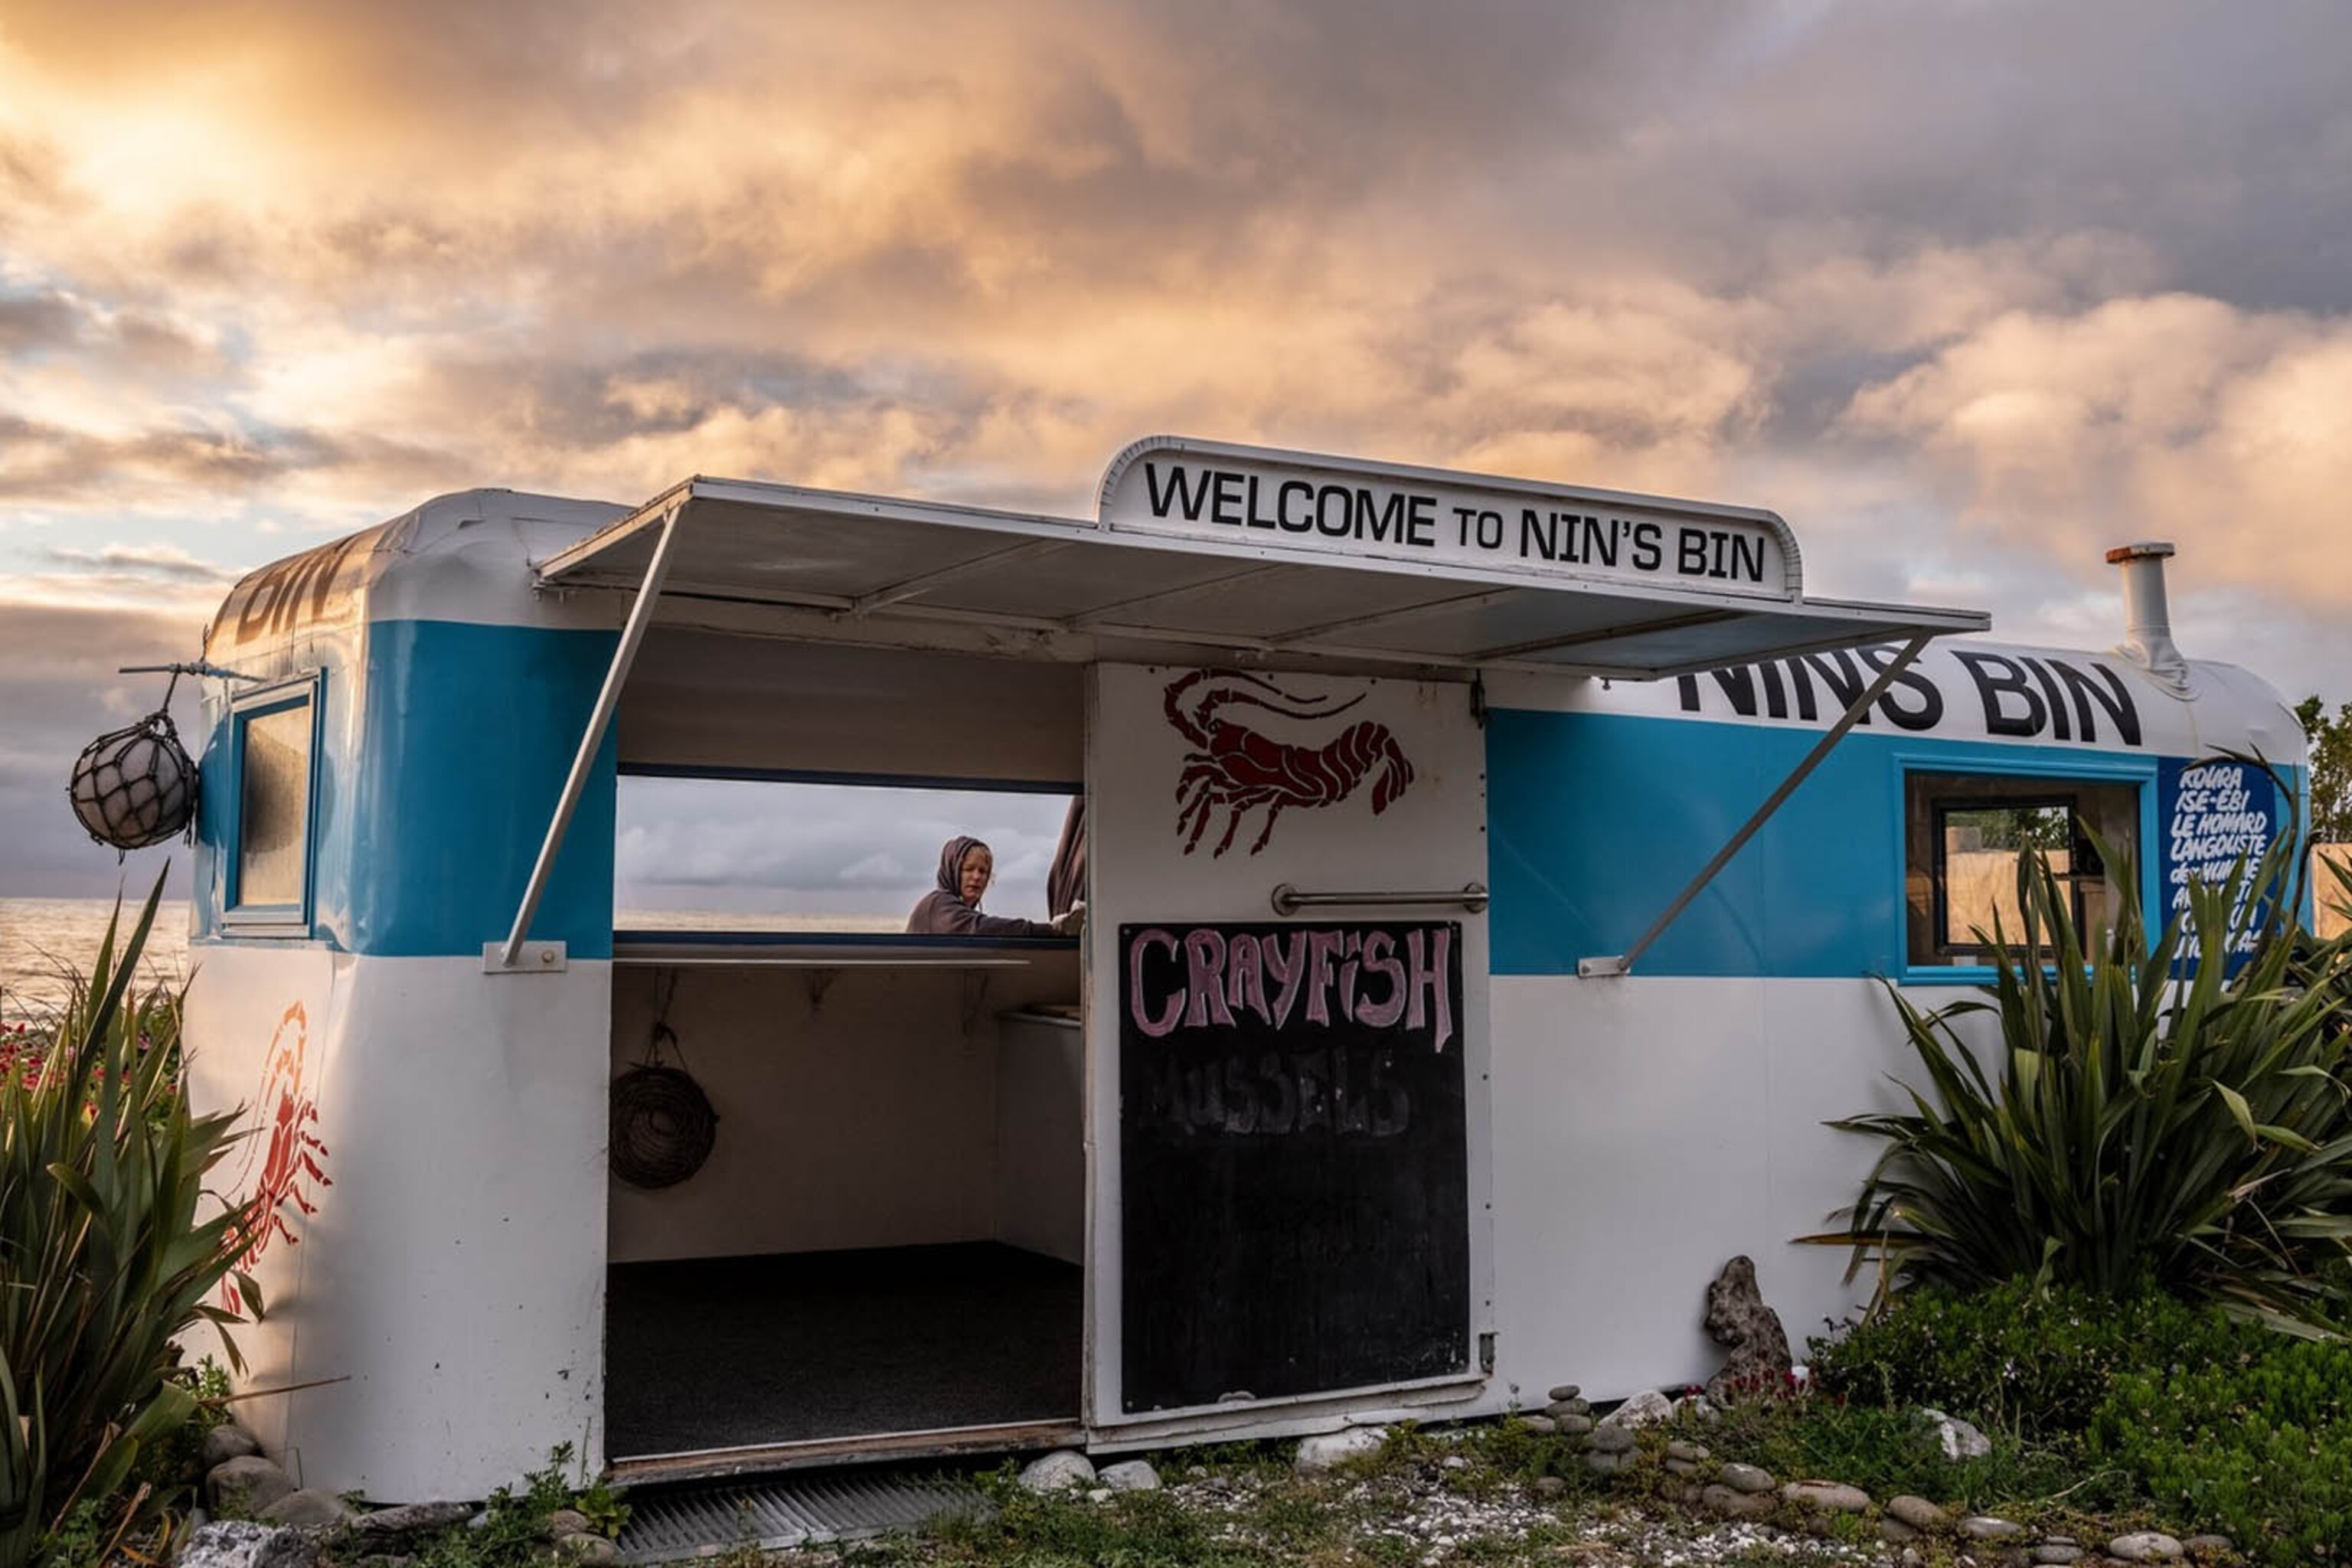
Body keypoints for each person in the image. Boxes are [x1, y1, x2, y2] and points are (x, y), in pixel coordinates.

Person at [906, 835, 1084, 936]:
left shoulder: (961, 911)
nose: (976, 877)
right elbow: (983, 928)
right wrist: (1053, 929)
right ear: (952, 871)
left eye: (983, 871)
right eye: (968, 869)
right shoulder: (938, 904)